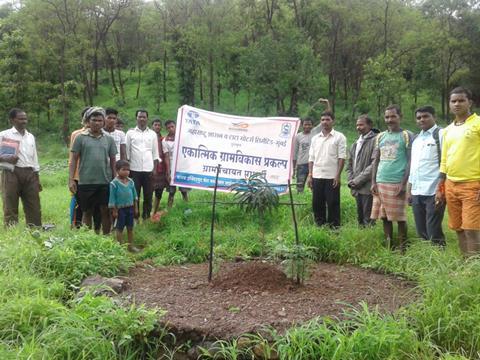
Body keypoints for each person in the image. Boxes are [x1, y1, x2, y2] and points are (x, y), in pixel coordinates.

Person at [436, 87, 480, 257]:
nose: (457, 104)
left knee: (472, 228)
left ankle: (475, 269)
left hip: (473, 185)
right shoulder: (447, 130)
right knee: (459, 228)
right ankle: (465, 263)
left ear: (470, 102)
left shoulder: (477, 123)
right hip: (450, 185)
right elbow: (444, 160)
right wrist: (440, 188)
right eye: (453, 101)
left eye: (461, 100)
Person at [371, 105, 413, 252]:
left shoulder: (406, 135)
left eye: (393, 116)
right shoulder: (380, 136)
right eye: (387, 117)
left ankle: (403, 249)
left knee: (400, 218)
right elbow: (376, 160)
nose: (390, 120)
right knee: (384, 217)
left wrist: (403, 183)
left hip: (397, 182)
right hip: (381, 181)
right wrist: (373, 181)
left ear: (400, 117)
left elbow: (410, 160)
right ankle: (389, 246)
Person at [69, 107, 117, 234]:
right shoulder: (80, 138)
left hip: (105, 181)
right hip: (85, 181)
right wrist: (71, 180)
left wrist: (115, 178)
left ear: (103, 122)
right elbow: (73, 159)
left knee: (105, 210)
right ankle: (88, 240)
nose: (97, 123)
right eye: (94, 120)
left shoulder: (109, 139)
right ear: (88, 121)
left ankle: (106, 238)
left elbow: (113, 160)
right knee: (87, 211)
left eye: (100, 120)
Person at [407, 106, 446, 247]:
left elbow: (446, 163)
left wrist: (441, 189)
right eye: (419, 117)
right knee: (421, 229)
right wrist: (409, 190)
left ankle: (439, 257)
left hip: (433, 191)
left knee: (433, 229)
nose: (422, 119)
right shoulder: (416, 139)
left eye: (425, 116)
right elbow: (413, 167)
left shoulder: (441, 134)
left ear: (434, 117)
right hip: (417, 191)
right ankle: (426, 257)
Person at [0, 108, 42, 227]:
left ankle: (35, 229)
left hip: (30, 173)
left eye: (25, 118)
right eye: (21, 119)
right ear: (12, 120)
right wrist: (6, 159)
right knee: (10, 203)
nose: (24, 121)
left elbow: (35, 157)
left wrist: (37, 176)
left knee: (34, 204)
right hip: (11, 172)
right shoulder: (4, 135)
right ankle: (12, 232)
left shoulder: (30, 136)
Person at [307, 111, 347, 228]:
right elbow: (311, 158)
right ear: (320, 122)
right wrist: (310, 174)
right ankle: (320, 227)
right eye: (323, 120)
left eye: (327, 119)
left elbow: (341, 157)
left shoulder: (339, 137)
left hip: (332, 177)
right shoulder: (315, 138)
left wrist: (338, 175)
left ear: (332, 121)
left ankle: (334, 229)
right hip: (317, 176)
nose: (325, 122)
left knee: (333, 203)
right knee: (317, 203)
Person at [125, 110, 159, 220]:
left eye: (144, 117)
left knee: (148, 195)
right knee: (135, 196)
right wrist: (127, 169)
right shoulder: (130, 133)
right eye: (140, 117)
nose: (142, 119)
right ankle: (135, 217)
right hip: (134, 170)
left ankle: (146, 217)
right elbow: (127, 152)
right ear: (136, 118)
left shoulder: (153, 134)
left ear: (147, 118)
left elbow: (155, 153)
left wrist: (154, 170)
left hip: (149, 170)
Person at [346, 115, 378, 226]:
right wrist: (351, 180)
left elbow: (374, 164)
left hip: (368, 186)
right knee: (360, 218)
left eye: (361, 124)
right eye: (357, 125)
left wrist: (358, 180)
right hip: (356, 187)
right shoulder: (356, 143)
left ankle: (369, 240)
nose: (358, 127)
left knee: (368, 218)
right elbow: (349, 164)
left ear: (370, 125)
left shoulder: (376, 140)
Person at [108, 160, 139, 252]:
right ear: (117, 170)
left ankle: (131, 246)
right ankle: (121, 247)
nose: (126, 172)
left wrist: (136, 208)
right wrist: (114, 210)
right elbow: (112, 198)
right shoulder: (114, 183)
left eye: (128, 170)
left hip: (130, 208)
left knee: (130, 227)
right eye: (123, 169)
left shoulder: (131, 182)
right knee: (119, 228)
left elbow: (135, 196)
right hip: (120, 209)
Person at [162, 120, 189, 207]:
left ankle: (186, 208)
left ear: (176, 126)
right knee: (171, 192)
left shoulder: (182, 138)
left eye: (172, 126)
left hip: (182, 168)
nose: (171, 129)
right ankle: (169, 210)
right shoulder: (165, 140)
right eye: (168, 127)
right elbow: (166, 157)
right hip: (171, 168)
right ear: (166, 129)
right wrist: (168, 172)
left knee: (184, 191)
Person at [151, 119, 169, 213]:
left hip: (161, 169)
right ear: (152, 126)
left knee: (159, 192)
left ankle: (154, 212)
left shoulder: (163, 139)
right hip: (150, 168)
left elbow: (166, 155)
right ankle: (147, 213)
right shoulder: (148, 138)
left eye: (159, 125)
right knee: (149, 191)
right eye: (155, 125)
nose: (157, 127)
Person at [293, 117, 314, 193]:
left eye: (309, 124)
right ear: (302, 125)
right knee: (299, 185)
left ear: (312, 126)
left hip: (313, 164)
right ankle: (299, 200)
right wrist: (294, 168)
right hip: (301, 164)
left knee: (314, 185)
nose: (307, 126)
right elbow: (295, 152)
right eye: (305, 124)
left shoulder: (316, 135)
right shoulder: (298, 136)